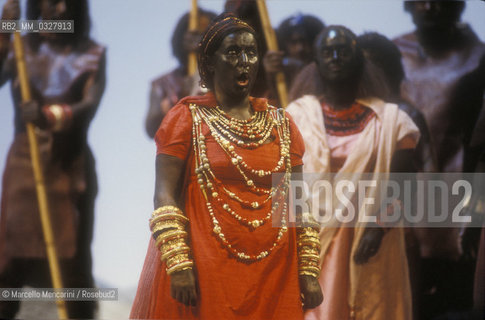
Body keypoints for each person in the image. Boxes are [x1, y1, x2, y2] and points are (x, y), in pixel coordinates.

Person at [130, 13, 323, 319]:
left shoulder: (282, 125)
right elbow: (163, 196)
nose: (244, 60)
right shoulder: (185, 120)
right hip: (206, 268)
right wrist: (179, 264)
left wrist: (309, 269)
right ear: (209, 64)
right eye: (233, 53)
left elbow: (297, 204)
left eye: (251, 52)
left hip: (275, 271)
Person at [286, 26, 419, 320]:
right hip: (310, 242)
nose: (335, 58)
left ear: (359, 59)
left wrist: (379, 227)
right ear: (316, 63)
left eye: (343, 52)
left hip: (369, 242)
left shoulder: (393, 121)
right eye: (327, 52)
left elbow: (405, 189)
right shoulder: (295, 116)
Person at [0, 0, 106, 318]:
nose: (60, 9)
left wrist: (49, 115)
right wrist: (5, 29)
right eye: (51, 1)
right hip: (24, 165)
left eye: (67, 2)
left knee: (71, 261)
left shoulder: (92, 52)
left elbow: (89, 104)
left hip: (69, 166)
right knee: (7, 259)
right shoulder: (22, 45)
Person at [394, 2, 485, 317]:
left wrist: (474, 219)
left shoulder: (479, 58)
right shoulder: (392, 52)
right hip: (398, 211)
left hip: (455, 213)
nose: (429, 7)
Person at [145, 8, 217, 138]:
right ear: (180, 39)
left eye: (204, 35)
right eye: (193, 36)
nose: (198, 41)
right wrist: (180, 99)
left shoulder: (224, 78)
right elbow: (151, 129)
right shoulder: (162, 83)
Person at [264, 14, 325, 92]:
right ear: (285, 45)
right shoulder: (283, 71)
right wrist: (271, 76)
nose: (300, 48)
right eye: (293, 42)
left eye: (304, 41)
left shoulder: (323, 75)